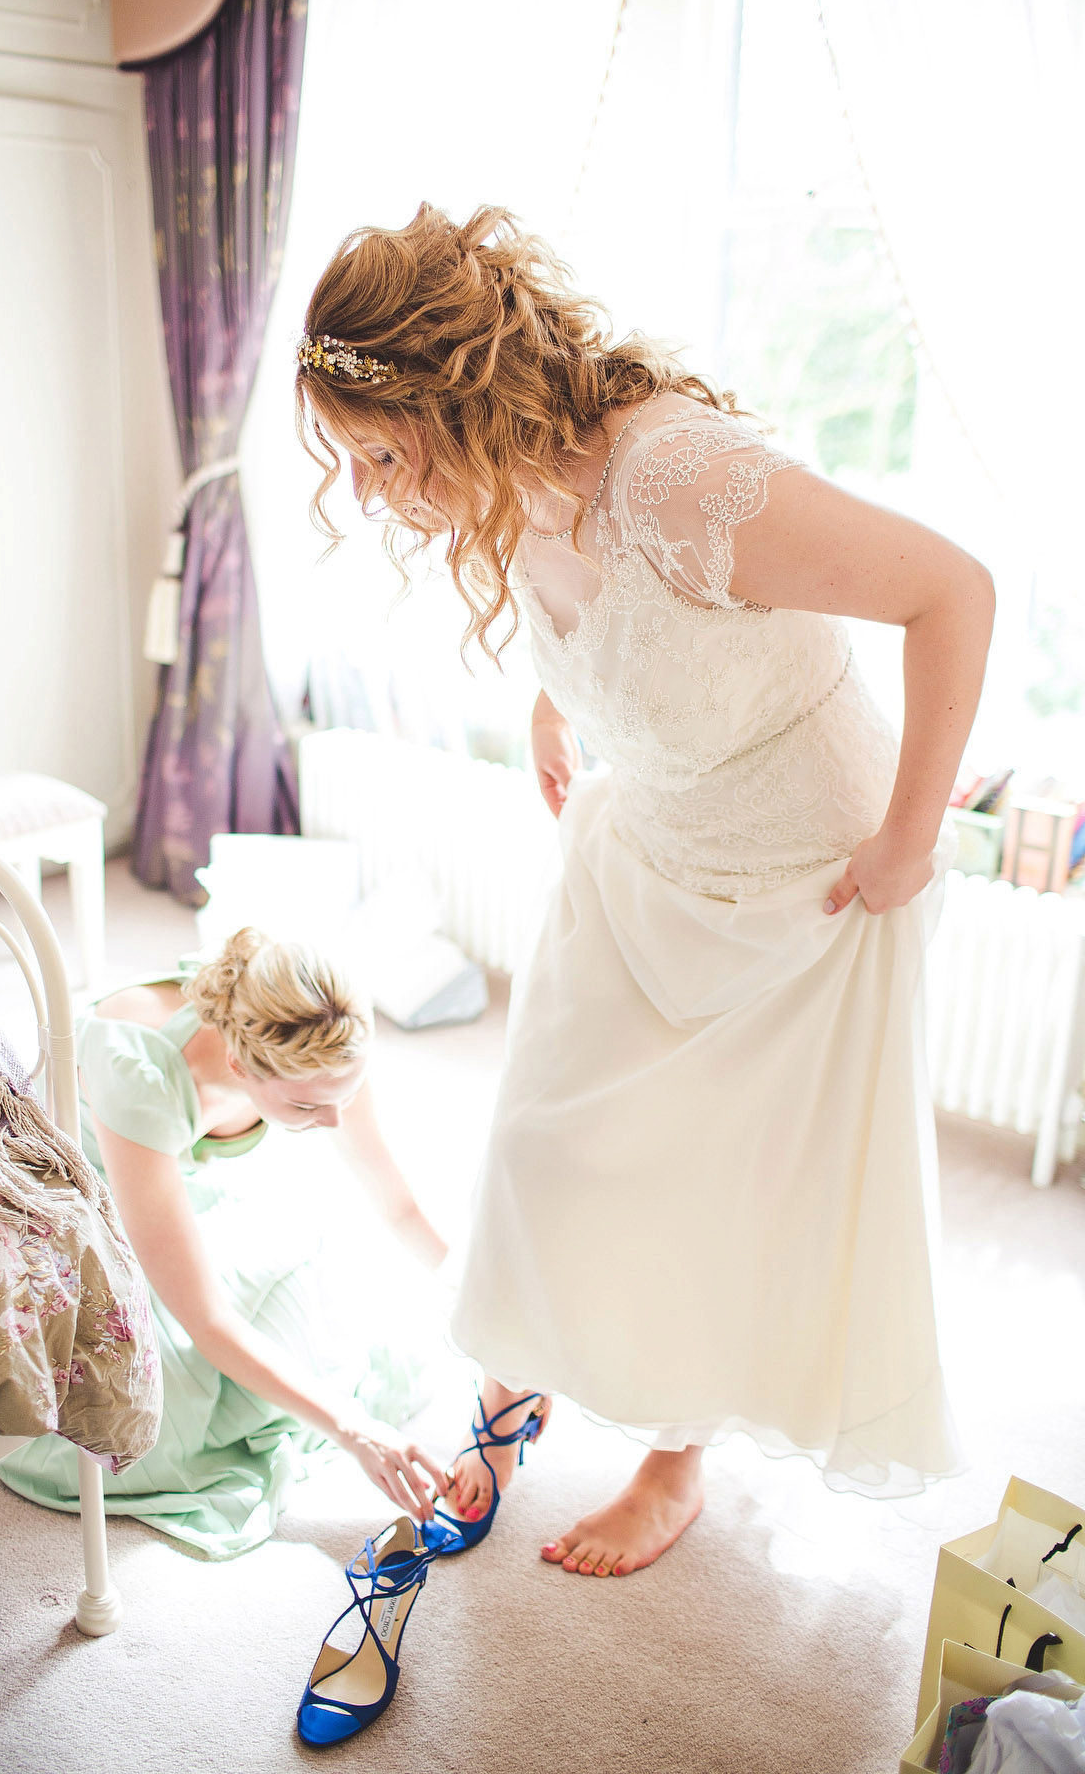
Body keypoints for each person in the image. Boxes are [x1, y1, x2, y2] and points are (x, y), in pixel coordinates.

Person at [294, 204, 995, 1580]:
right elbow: (607, 621)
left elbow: (954, 592)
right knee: (547, 1141)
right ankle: (513, 1387)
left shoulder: (681, 479)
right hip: (652, 849)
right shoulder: (499, 487)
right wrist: (559, 710)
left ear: (463, 403)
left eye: (383, 453)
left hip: (815, 889)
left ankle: (676, 1460)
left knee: (719, 1194)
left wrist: (910, 842)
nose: (372, 490)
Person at [0, 927, 452, 1557]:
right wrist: (356, 1432)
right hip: (86, 1211)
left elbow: (397, 1204)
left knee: (311, 1313)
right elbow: (206, 1320)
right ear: (240, 1068)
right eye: (307, 1107)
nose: (336, 1121)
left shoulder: (325, 1038)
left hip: (174, 1185)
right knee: (169, 1415)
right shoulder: (140, 1067)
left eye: (345, 1094)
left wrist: (473, 1296)